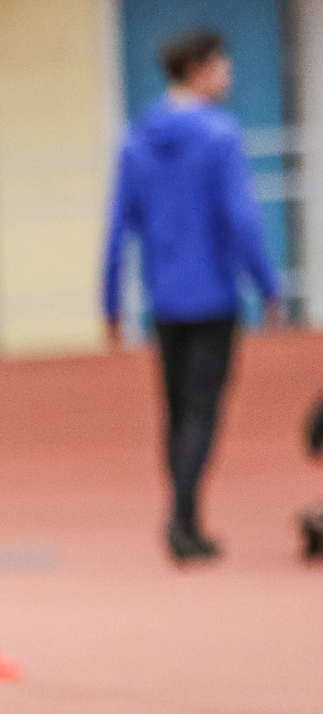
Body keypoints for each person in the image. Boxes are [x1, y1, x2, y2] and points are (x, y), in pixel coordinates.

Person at [102, 27, 282, 566]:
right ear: (201, 68)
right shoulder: (220, 136)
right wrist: (268, 285)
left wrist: (110, 300)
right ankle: (182, 519)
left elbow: (117, 228)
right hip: (213, 298)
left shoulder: (136, 139)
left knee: (176, 412)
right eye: (224, 67)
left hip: (166, 301)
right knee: (202, 413)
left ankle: (185, 516)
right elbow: (243, 220)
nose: (229, 77)